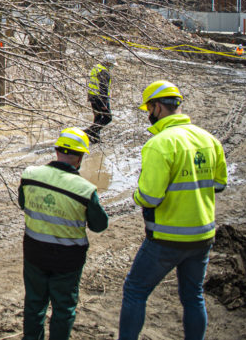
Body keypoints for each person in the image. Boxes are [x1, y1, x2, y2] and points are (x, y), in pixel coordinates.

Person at [117, 81, 228, 340]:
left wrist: (135, 195)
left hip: (166, 239)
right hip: (202, 236)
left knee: (135, 291)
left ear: (157, 108)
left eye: (149, 108)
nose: (148, 113)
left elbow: (149, 197)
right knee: (193, 297)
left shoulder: (160, 144)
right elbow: (220, 184)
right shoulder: (209, 140)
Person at [18, 127, 109, 340]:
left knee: (34, 303)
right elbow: (99, 225)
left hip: (34, 253)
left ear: (57, 150)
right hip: (68, 260)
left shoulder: (30, 175)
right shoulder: (85, 190)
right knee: (64, 308)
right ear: (80, 158)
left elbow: (23, 204)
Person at [85, 55, 116, 143]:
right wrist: (104, 104)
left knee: (98, 117)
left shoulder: (96, 68)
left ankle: (95, 138)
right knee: (107, 118)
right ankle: (88, 132)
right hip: (99, 98)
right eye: (111, 64)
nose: (112, 66)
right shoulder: (104, 72)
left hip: (92, 96)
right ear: (108, 63)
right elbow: (103, 89)